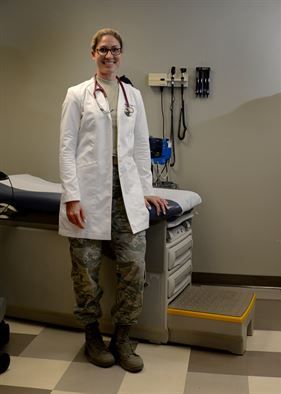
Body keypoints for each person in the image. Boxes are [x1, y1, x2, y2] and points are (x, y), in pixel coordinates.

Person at [59, 28, 167, 373]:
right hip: (89, 195)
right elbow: (66, 147)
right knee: (86, 273)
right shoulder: (77, 95)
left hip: (127, 193)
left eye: (115, 49)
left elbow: (138, 148)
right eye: (103, 49)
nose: (110, 55)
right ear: (93, 53)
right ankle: (92, 335)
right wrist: (72, 196)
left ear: (122, 54)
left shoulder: (133, 95)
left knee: (134, 269)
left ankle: (122, 337)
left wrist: (147, 188)